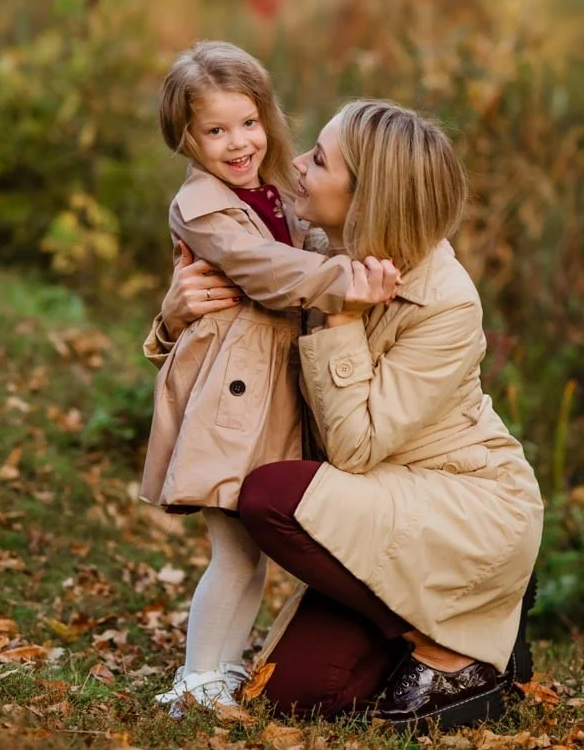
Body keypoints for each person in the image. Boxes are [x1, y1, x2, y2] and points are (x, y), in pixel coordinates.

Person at [157, 98, 544, 732]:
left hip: (461, 505)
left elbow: (357, 447)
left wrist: (339, 317)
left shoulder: (446, 302)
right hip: (375, 506)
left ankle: (461, 644)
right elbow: (237, 359)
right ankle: (461, 622)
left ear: (365, 196)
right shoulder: (312, 249)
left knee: (269, 496)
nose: (298, 166)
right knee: (295, 695)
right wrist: (173, 317)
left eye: (319, 159)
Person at [141, 43, 400, 715]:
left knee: (249, 548)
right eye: (215, 130)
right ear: (185, 136)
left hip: (268, 387)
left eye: (248, 123)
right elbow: (266, 270)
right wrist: (348, 281)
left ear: (267, 116)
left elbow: (310, 242)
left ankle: (218, 672)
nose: (237, 143)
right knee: (233, 546)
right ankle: (197, 681)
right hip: (232, 395)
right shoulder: (201, 207)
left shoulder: (275, 184)